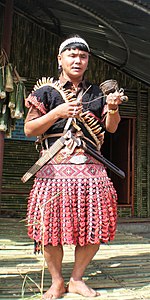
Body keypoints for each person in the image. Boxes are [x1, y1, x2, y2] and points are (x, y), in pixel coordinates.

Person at [24, 35, 124, 299]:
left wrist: (112, 108)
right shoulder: (45, 92)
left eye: (83, 56)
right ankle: (57, 281)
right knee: (48, 227)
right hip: (53, 169)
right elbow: (29, 128)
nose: (77, 60)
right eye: (72, 55)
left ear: (87, 61)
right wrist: (57, 113)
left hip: (92, 169)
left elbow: (111, 128)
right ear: (60, 59)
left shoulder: (96, 93)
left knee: (96, 223)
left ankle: (77, 279)